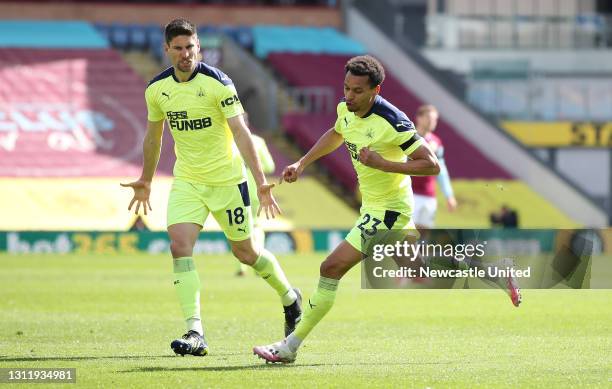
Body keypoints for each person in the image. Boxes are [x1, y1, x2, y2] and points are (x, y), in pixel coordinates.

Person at [121, 18, 301, 357]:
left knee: (246, 254)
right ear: (167, 50)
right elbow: (153, 138)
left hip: (228, 182)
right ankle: (195, 331)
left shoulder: (219, 83)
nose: (186, 54)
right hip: (188, 181)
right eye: (179, 48)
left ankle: (290, 298)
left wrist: (261, 183)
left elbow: (241, 132)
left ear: (198, 46)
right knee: (179, 246)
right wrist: (145, 179)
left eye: (191, 47)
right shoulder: (157, 90)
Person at [252, 55, 441, 363]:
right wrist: (302, 163)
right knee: (419, 270)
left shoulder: (393, 121)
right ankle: (496, 271)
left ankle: (289, 347)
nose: (349, 96)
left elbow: (431, 166)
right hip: (373, 204)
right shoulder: (346, 109)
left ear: (375, 91)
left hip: (389, 209)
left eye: (357, 91)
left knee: (330, 267)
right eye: (346, 88)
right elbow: (337, 133)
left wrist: (384, 164)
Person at [235, 113, 276, 276]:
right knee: (256, 226)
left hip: (235, 191)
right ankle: (259, 263)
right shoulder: (257, 142)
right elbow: (270, 166)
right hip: (256, 191)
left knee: (238, 228)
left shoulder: (228, 143)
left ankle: (241, 268)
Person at [411, 104, 457, 229]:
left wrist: (449, 195)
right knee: (406, 236)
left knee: (423, 236)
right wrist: (427, 151)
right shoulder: (408, 137)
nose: (433, 122)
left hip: (429, 195)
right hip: (409, 193)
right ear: (419, 118)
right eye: (429, 118)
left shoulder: (436, 142)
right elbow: (403, 162)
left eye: (435, 119)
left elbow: (441, 170)